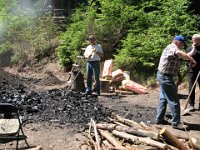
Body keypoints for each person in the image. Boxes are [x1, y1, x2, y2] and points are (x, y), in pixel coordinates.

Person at [156, 35, 196, 130]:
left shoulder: (172, 49)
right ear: (178, 42)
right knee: (174, 100)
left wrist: (178, 75)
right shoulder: (173, 47)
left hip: (163, 76)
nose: (182, 46)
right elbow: (179, 53)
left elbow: (179, 58)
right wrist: (191, 60)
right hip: (165, 77)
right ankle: (176, 123)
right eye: (182, 44)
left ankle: (159, 119)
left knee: (163, 98)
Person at [186, 34, 200, 111]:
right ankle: (191, 105)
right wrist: (194, 48)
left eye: (198, 39)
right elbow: (188, 56)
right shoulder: (189, 48)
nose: (196, 41)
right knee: (191, 88)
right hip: (192, 70)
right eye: (195, 39)